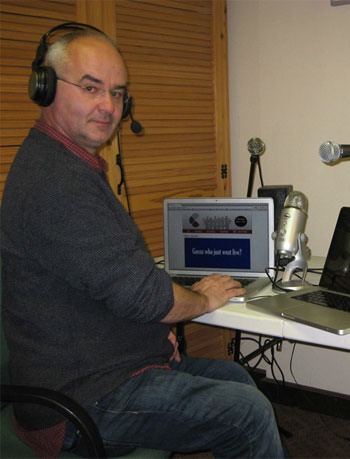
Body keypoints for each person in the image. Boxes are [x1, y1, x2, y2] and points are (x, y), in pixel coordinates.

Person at [1, 24, 285, 458]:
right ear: (46, 87)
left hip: (104, 365)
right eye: (91, 88)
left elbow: (106, 285)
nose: (108, 106)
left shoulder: (66, 164)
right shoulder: (56, 183)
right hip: (78, 399)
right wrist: (200, 299)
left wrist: (156, 329)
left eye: (117, 93)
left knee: (236, 379)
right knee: (246, 411)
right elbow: (142, 296)